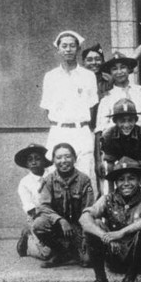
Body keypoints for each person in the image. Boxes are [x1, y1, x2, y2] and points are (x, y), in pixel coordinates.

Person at [80, 157, 141, 282]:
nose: (126, 183)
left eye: (131, 178)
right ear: (116, 182)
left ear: (139, 180)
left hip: (140, 259)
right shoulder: (107, 198)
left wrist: (121, 232)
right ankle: (101, 281)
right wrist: (105, 236)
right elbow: (84, 218)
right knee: (94, 226)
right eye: (121, 179)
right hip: (114, 254)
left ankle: (129, 280)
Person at [39, 30, 99, 197]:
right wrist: (61, 124)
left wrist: (80, 124)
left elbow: (92, 107)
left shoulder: (88, 76)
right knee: (54, 170)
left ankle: (85, 218)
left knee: (85, 170)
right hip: (58, 130)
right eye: (64, 46)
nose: (68, 49)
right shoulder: (50, 76)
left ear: (78, 49)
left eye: (72, 46)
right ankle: (58, 218)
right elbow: (47, 108)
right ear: (58, 50)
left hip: (81, 131)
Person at [32, 143, 94, 268]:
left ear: (75, 159)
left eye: (67, 156)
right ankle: (60, 252)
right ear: (53, 160)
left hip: (78, 226)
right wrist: (60, 220)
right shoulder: (48, 180)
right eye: (59, 157)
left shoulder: (84, 180)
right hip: (57, 226)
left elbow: (88, 209)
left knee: (87, 261)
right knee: (39, 224)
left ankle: (74, 250)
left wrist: (83, 235)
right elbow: (44, 207)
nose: (63, 161)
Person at [98, 98, 141, 194]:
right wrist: (111, 192)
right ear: (115, 121)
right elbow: (110, 164)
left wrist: (140, 188)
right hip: (118, 165)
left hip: (137, 164)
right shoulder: (108, 135)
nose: (126, 125)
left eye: (130, 120)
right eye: (122, 121)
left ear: (136, 120)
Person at [15, 144, 53, 260]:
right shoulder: (25, 182)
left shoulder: (52, 176)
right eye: (30, 160)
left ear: (44, 161)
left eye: (37, 158)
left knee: (65, 248)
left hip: (55, 215)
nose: (34, 162)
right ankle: (28, 241)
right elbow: (30, 207)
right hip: (36, 217)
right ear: (26, 164)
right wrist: (44, 217)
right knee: (46, 254)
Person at [94, 52, 141, 134]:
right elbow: (101, 127)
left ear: (129, 69)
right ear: (110, 72)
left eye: (123, 67)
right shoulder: (107, 97)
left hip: (140, 140)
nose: (119, 72)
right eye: (114, 69)